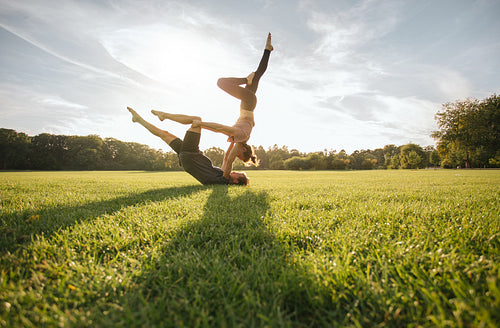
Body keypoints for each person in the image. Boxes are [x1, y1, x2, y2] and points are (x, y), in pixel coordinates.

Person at [187, 33, 273, 172]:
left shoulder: (239, 138)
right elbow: (222, 133)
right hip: (248, 102)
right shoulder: (241, 137)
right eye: (240, 155)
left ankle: (267, 50)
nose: (237, 155)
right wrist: (200, 124)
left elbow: (227, 157)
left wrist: (222, 173)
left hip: (248, 102)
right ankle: (246, 79)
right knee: (221, 82)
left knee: (257, 75)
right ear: (244, 149)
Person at [126, 107, 249, 186]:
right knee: (164, 134)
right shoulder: (220, 176)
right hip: (187, 160)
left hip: (191, 154)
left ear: (236, 180)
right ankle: (138, 120)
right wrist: (233, 141)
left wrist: (239, 141)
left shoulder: (224, 180)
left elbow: (230, 161)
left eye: (238, 173)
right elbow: (227, 158)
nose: (235, 171)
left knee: (197, 120)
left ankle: (165, 115)